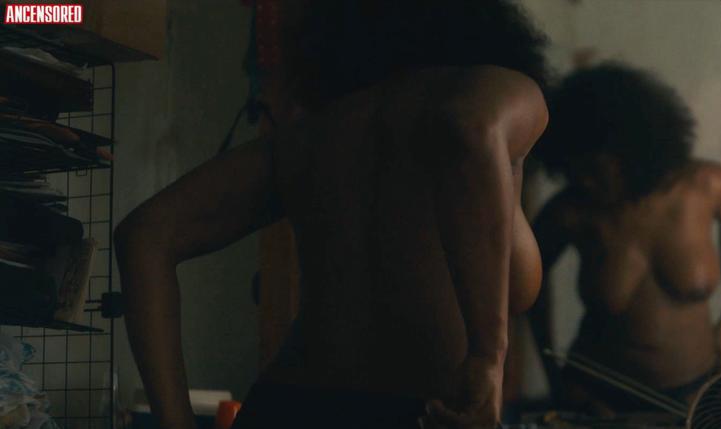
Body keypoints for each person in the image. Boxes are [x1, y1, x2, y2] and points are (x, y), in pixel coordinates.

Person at [113, 1, 550, 427]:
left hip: (288, 406)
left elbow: (146, 234)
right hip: (423, 411)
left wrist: (177, 421)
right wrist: (487, 357)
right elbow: (469, 124)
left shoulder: (315, 134)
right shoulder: (497, 89)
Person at [528, 63, 721, 416]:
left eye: (593, 168)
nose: (583, 181)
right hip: (595, 395)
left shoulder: (705, 186)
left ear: (631, 150)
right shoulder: (572, 211)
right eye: (574, 170)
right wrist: (550, 369)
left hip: (692, 392)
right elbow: (528, 279)